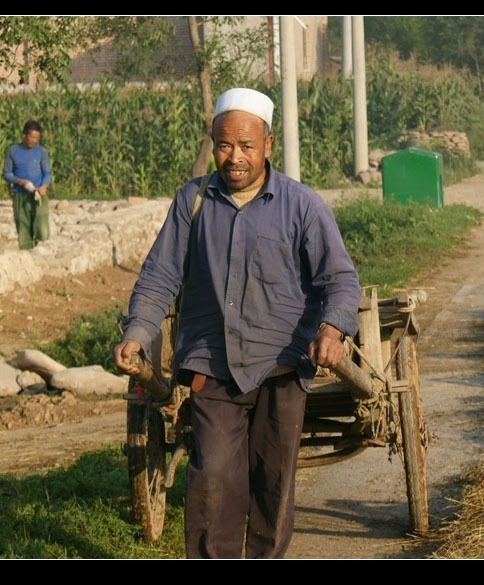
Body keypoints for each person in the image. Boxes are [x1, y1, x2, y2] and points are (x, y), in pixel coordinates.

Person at [113, 87, 362, 559]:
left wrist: (331, 329)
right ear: (213, 142)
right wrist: (136, 334)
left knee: (273, 485)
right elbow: (159, 277)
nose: (235, 157)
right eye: (225, 145)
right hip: (213, 365)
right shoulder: (193, 202)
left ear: (268, 145)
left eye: (246, 146)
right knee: (212, 479)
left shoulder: (301, 205)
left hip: (282, 368)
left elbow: (340, 280)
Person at [3, 119, 52, 250]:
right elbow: (6, 174)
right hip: (20, 196)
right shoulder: (12, 151)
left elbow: (47, 173)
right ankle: (27, 260)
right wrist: (20, 181)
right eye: (32, 137)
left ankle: (42, 258)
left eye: (37, 138)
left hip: (38, 195)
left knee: (42, 230)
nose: (34, 140)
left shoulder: (41, 152)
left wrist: (44, 186)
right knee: (24, 232)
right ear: (24, 134)